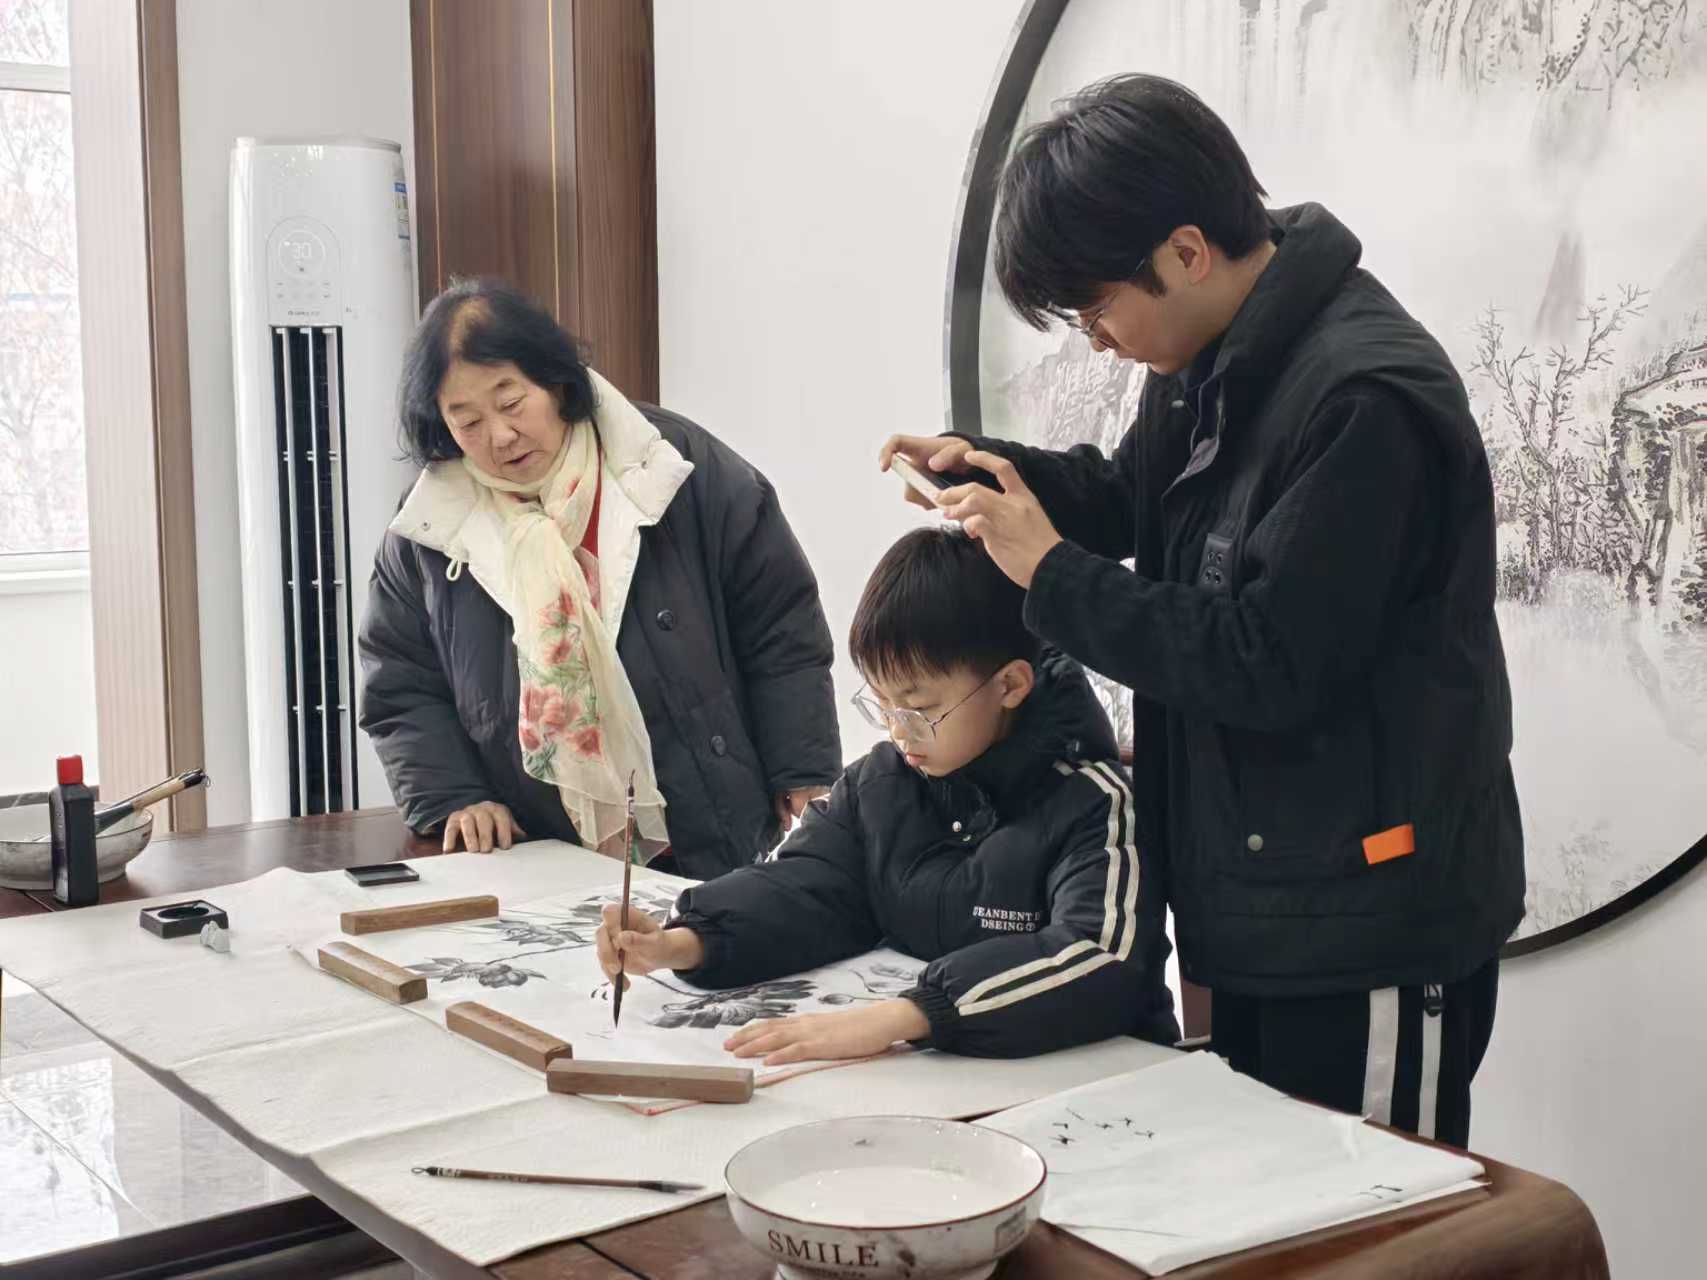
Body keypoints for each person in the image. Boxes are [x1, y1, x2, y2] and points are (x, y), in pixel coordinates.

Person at [882, 75, 1522, 1146]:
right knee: (1265, 1203)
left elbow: (1270, 662)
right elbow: (1132, 496)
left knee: (1374, 1217)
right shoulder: (1214, 354)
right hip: (1266, 902)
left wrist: (1050, 574)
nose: (1096, 340)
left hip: (1368, 921)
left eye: (1096, 310)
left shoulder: (1365, 400)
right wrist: (988, 471)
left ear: (1184, 251)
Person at [593, 526, 1178, 1065]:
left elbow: (1099, 958)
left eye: (919, 708)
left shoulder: (1094, 803)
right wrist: (685, 942)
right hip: (950, 1077)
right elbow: (810, 885)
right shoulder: (882, 782)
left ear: (1010, 685)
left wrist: (913, 1015)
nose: (899, 731)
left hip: (1100, 1084)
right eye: (882, 704)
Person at [359, 278, 839, 878]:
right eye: (468, 422)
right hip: (533, 856)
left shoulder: (673, 464)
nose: (500, 437)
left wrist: (801, 767)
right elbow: (399, 677)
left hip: (707, 826)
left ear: (556, 381)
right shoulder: (431, 525)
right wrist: (453, 794)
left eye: (512, 403)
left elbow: (779, 623)